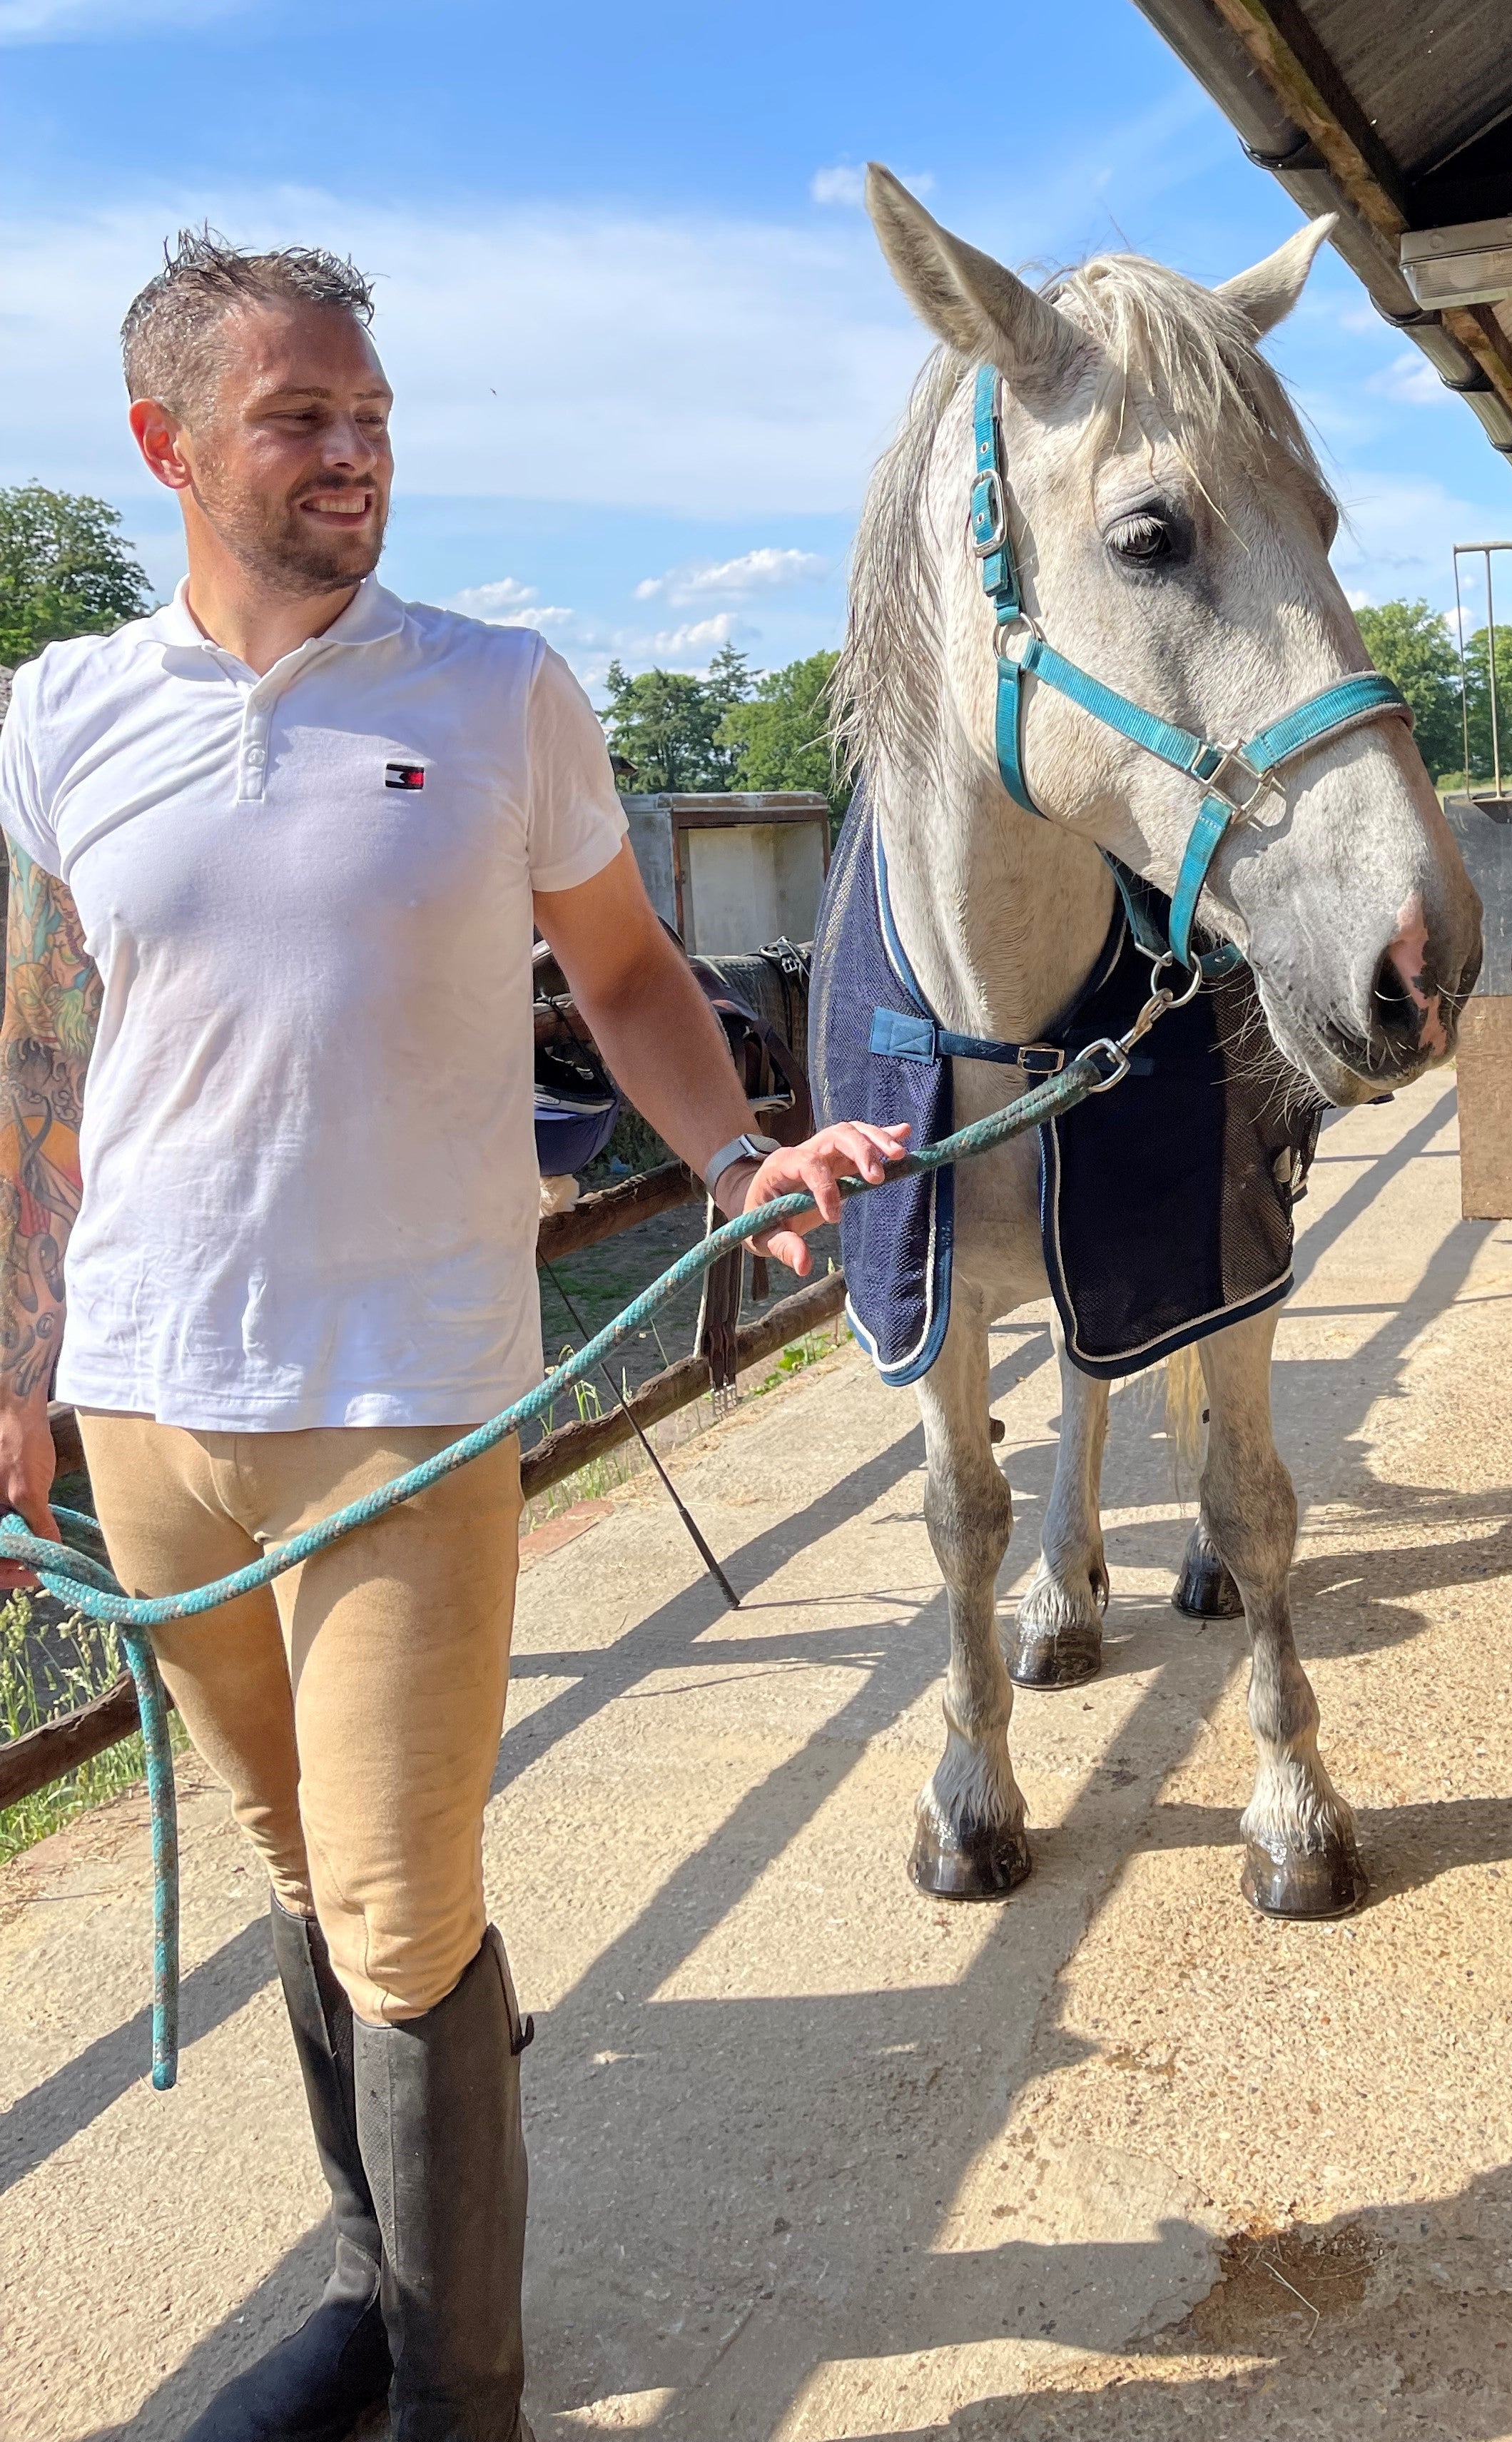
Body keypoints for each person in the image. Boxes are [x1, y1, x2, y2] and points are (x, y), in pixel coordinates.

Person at [0, 232, 906, 2442]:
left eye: (374, 417)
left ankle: (460, 2395)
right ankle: (364, 2293)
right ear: (167, 444)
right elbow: (36, 1061)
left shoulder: (497, 692)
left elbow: (627, 978)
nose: (353, 454)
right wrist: (17, 1365)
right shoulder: (58, 716)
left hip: (411, 1392)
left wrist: (729, 1158)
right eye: (302, 417)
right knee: (312, 1876)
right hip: (149, 1403)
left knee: (403, 1908)